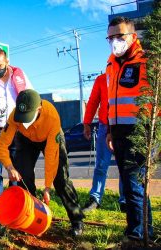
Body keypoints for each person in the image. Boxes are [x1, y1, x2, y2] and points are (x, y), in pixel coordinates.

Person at [0, 89, 85, 236]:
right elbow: (2, 145)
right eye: (22, 117)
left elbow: (51, 157)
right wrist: (9, 167)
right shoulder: (14, 116)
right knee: (22, 177)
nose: (24, 121)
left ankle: (77, 221)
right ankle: (28, 218)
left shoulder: (52, 117)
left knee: (61, 179)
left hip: (48, 139)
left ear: (39, 109)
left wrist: (47, 187)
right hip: (26, 140)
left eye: (28, 117)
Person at [105, 16, 153, 241]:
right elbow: (111, 101)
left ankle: (138, 235)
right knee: (130, 185)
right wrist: (109, 131)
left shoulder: (147, 62)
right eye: (111, 37)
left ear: (133, 36)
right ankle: (142, 229)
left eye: (120, 36)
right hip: (118, 132)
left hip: (139, 132)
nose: (115, 41)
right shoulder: (111, 63)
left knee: (134, 185)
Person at [0, 48, 33, 206]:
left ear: (7, 62)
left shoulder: (19, 75)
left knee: (16, 167)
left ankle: (14, 201)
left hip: (16, 130)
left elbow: (31, 96)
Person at [82, 74, 126, 212]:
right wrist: (87, 122)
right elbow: (93, 101)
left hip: (124, 126)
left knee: (125, 165)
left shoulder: (128, 76)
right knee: (101, 164)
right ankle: (95, 197)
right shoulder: (101, 79)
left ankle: (125, 199)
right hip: (104, 126)